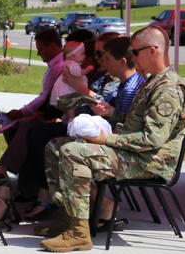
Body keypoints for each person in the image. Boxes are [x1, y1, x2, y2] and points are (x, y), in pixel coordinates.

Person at [39, 26, 185, 253]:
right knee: (56, 146)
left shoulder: (168, 89)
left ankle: (79, 233)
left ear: (152, 51)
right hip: (134, 153)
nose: (131, 58)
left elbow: (152, 140)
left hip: (149, 161)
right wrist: (112, 113)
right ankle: (69, 218)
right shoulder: (153, 82)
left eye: (135, 52)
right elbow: (135, 124)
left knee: (74, 152)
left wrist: (105, 139)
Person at [19, 35, 145, 222]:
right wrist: (108, 111)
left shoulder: (128, 86)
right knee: (47, 140)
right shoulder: (124, 83)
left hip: (119, 146)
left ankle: (80, 215)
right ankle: (74, 211)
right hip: (106, 134)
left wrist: (101, 133)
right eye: (97, 54)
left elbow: (128, 128)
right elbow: (122, 118)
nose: (101, 60)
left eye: (104, 56)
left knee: (62, 148)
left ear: (122, 61)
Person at [3, 28, 63, 139]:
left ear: (52, 46)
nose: (38, 53)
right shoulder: (56, 65)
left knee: (15, 129)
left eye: (41, 49)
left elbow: (44, 98)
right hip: (48, 113)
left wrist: (21, 113)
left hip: (52, 115)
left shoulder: (57, 67)